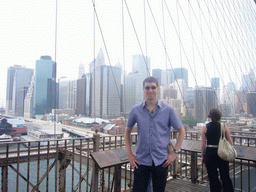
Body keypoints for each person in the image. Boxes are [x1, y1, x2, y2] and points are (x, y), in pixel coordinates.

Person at [125, 76, 185, 192]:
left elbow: (182, 131)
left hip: (161, 161)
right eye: (147, 88)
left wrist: (175, 153)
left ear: (158, 89)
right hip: (141, 161)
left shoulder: (168, 110)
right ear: (143, 89)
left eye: (153, 87)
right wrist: (130, 154)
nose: (150, 90)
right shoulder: (135, 110)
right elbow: (127, 131)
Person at [201, 108, 234, 192]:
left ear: (210, 116)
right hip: (222, 152)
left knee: (212, 177)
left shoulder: (205, 127)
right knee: (225, 175)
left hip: (210, 153)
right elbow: (230, 142)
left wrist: (203, 155)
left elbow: (203, 144)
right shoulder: (224, 126)